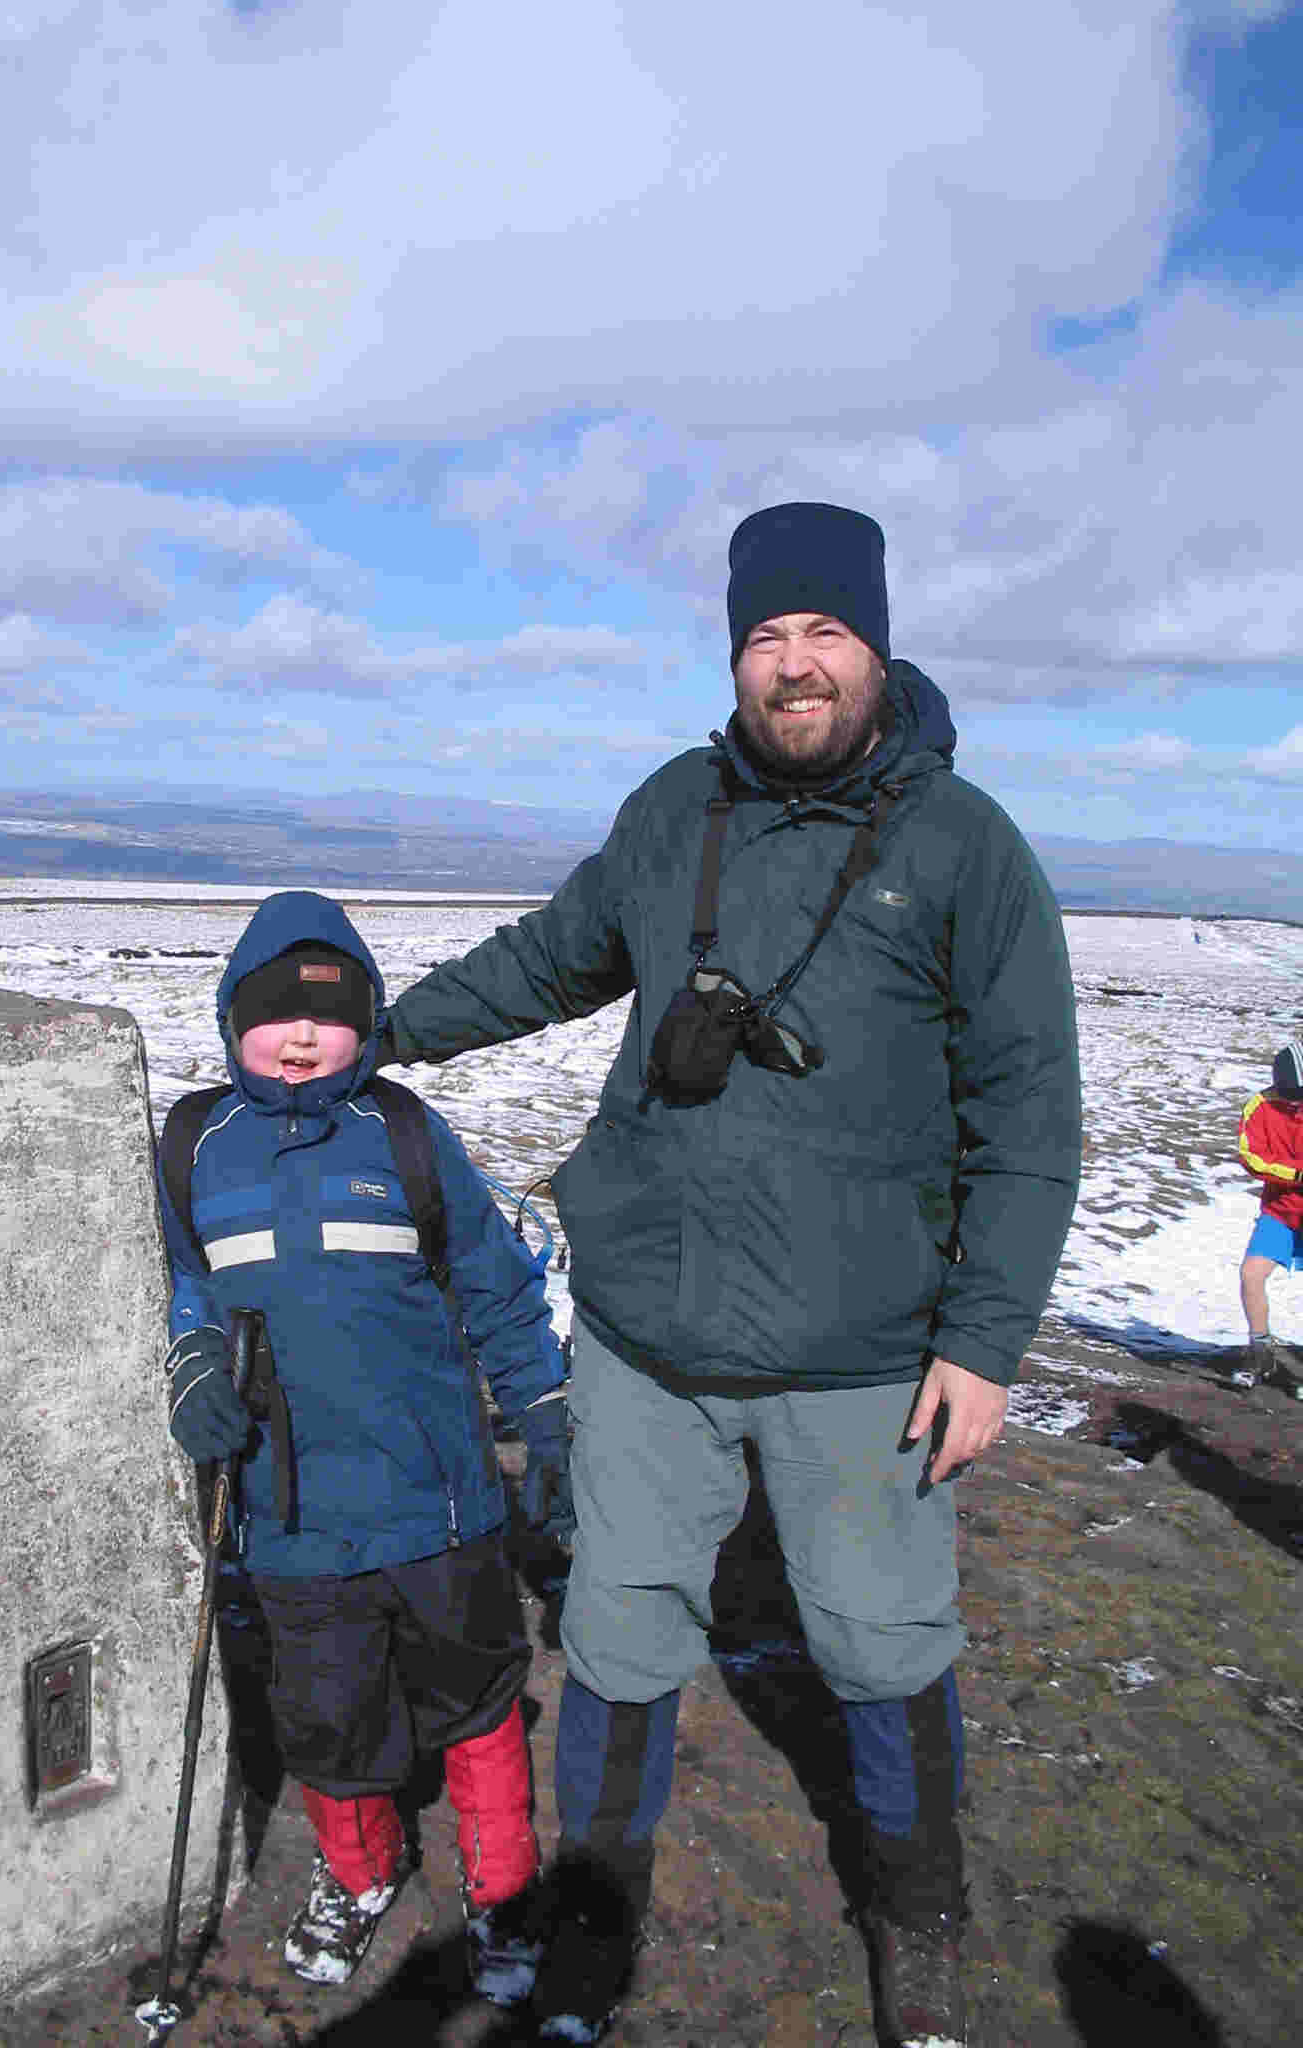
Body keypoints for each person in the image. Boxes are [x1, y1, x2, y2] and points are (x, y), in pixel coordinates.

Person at [379, 503, 1081, 2047]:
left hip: (866, 1357)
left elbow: (1031, 1115)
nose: (795, 664)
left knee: (882, 1643)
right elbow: (553, 958)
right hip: (650, 1334)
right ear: (735, 658)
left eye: (824, 632)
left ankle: (920, 1916)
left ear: (878, 648)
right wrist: (378, 1028)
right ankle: (593, 1928)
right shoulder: (673, 809)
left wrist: (987, 1341)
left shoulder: (969, 849)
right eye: (767, 636)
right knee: (623, 1634)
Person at [157, 890, 572, 2000]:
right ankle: (362, 1869)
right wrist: (190, 1361)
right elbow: (183, 1283)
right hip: (290, 1517)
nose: (302, 1034)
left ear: (369, 1022)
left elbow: (495, 1284)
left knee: (479, 1702)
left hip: (440, 1503)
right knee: (328, 1719)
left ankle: (502, 1890)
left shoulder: (401, 1130)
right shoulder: (198, 1144)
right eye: (274, 1009)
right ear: (230, 1016)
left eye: (330, 1013)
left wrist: (547, 1415)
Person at [1237, 1041, 1303, 1396]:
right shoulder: (1258, 1108)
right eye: (1291, 1094)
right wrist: (1296, 1176)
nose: (1296, 1103)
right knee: (1251, 1274)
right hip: (1280, 1210)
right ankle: (1260, 1353)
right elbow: (1252, 1158)